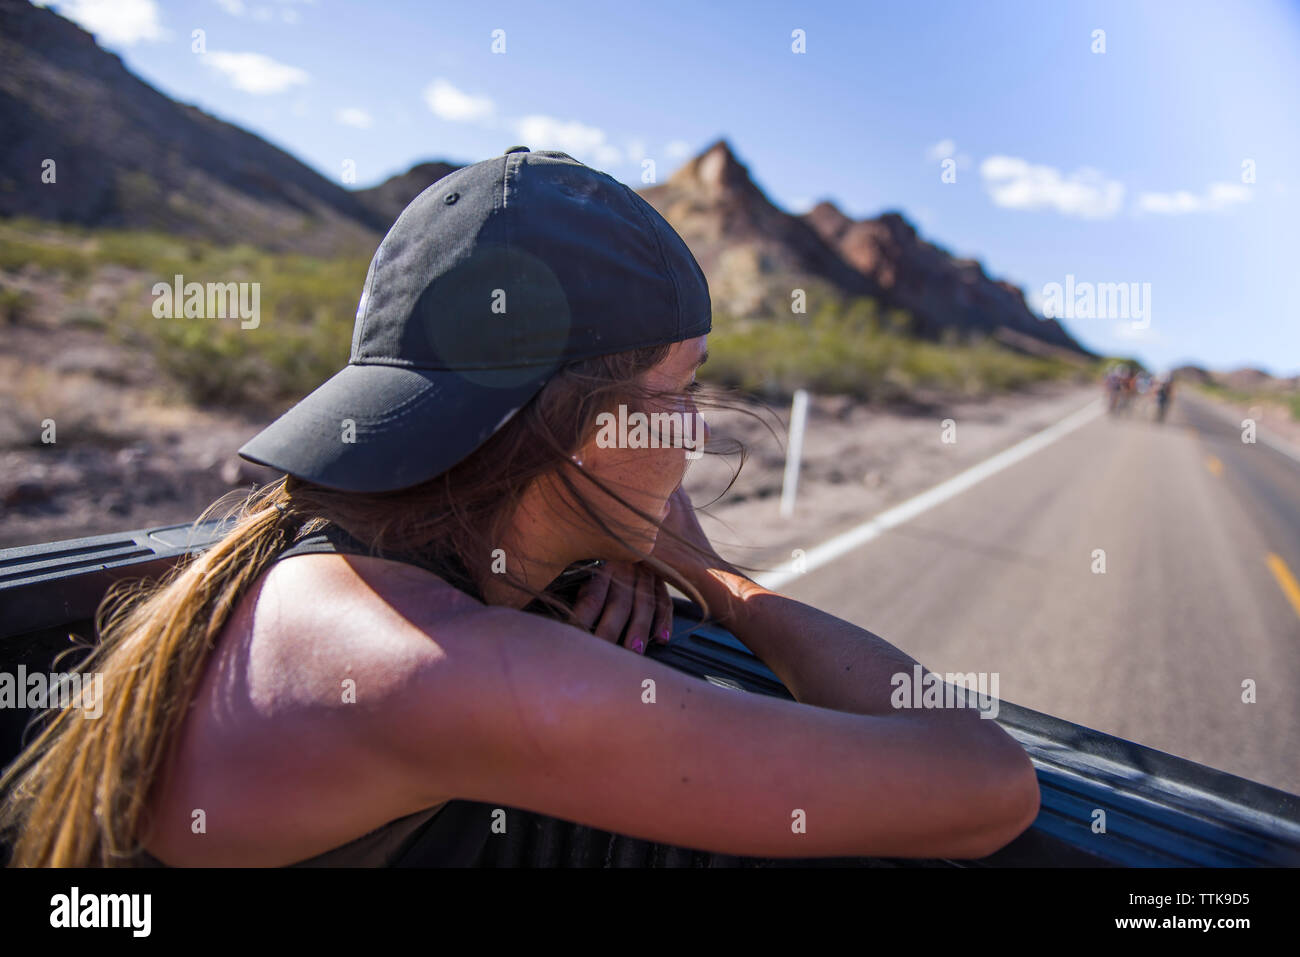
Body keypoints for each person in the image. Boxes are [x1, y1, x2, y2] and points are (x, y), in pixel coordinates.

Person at [0, 148, 1039, 867]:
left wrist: (601, 540)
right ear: (569, 425)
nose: (695, 436)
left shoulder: (335, 541)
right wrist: (722, 584)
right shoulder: (447, 673)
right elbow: (983, 784)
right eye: (678, 394)